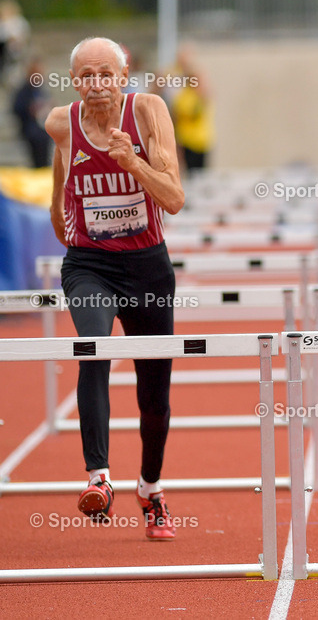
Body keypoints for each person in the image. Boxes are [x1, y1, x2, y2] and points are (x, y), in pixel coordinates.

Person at [45, 37, 184, 540]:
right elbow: (59, 203)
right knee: (94, 350)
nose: (96, 84)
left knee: (155, 396)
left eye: (106, 74)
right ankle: (98, 478)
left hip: (148, 267)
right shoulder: (61, 124)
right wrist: (76, 229)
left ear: (124, 76)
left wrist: (133, 164)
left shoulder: (147, 110)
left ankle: (150, 488)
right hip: (91, 266)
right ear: (74, 81)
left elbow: (174, 199)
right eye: (85, 75)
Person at [169, 44, 213, 175]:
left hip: (202, 140)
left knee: (202, 176)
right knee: (190, 175)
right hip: (187, 141)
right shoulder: (183, 96)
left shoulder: (200, 95)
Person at [12, 58, 52, 168]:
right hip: (31, 131)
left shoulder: (42, 89)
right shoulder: (23, 90)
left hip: (44, 131)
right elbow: (16, 108)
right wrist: (30, 109)